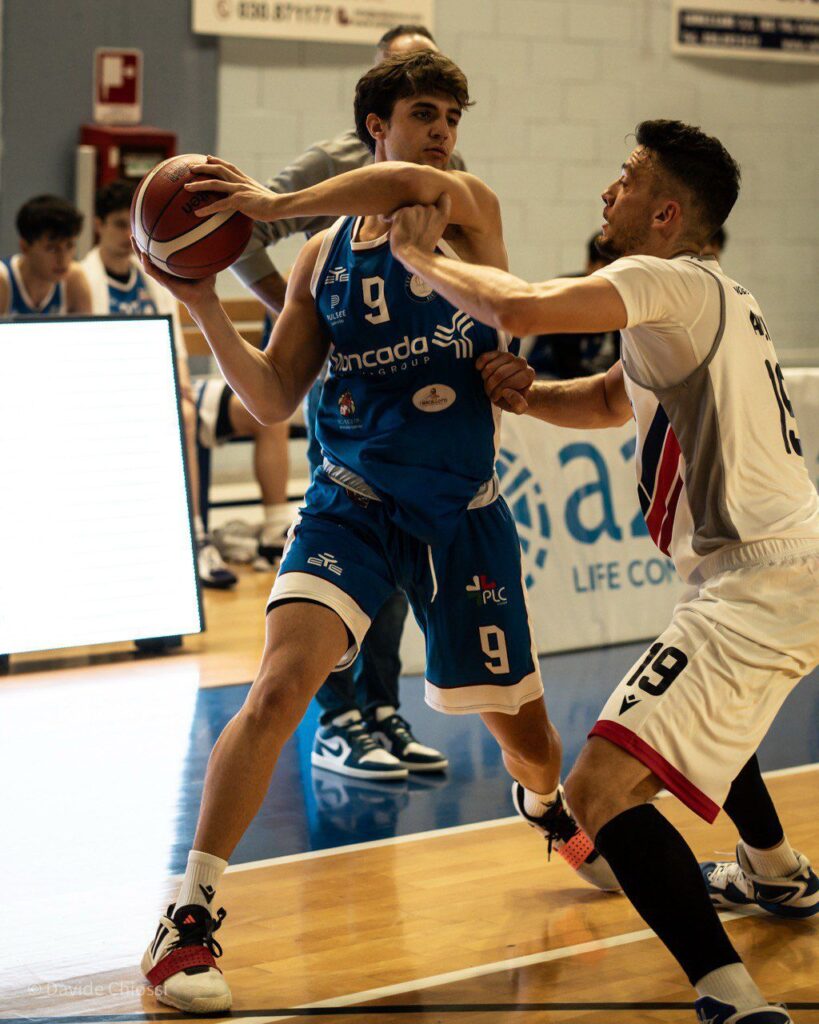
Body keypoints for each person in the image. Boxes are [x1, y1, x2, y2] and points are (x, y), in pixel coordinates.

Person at [135, 50, 617, 1014]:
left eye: (450, 117)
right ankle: (186, 917)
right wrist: (202, 304)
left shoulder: (467, 210)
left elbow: (416, 189)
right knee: (278, 687)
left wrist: (268, 204)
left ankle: (541, 804)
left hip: (462, 515)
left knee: (529, 742)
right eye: (423, 114)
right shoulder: (323, 258)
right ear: (375, 126)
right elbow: (273, 396)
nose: (441, 131)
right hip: (351, 502)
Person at [386, 119, 819, 1024]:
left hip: (756, 583)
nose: (605, 192)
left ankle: (732, 1000)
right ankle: (774, 872)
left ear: (665, 214)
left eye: (625, 178)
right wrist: (528, 395)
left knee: (594, 790)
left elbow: (518, 308)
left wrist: (416, 255)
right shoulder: (710, 294)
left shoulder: (664, 279)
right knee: (690, 710)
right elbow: (611, 400)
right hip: (777, 568)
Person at [232, 24, 459, 780]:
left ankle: (381, 708)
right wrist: (304, 320)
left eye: (445, 105)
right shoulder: (331, 164)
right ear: (376, 103)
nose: (436, 121)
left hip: (419, 412)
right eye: (411, 85)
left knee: (392, 575)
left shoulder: (449, 169)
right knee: (335, 558)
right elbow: (247, 234)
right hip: (349, 402)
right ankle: (337, 719)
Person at [81, 179, 237, 589]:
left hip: (165, 385)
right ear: (98, 226)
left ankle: (264, 528)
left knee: (250, 410)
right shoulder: (84, 278)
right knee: (183, 416)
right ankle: (193, 533)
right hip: (114, 395)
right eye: (118, 225)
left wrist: (180, 383)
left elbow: (176, 346)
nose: (125, 235)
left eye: (130, 226)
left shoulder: (152, 275)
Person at [526, 233, 618, 379]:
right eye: (607, 268)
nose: (613, 277)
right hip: (548, 373)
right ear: (589, 265)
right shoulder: (565, 293)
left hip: (589, 376)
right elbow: (567, 365)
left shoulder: (619, 295)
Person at [0, 195, 91, 316]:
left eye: (69, 246)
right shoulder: (3, 281)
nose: (63, 259)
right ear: (25, 247)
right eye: (52, 249)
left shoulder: (74, 279)